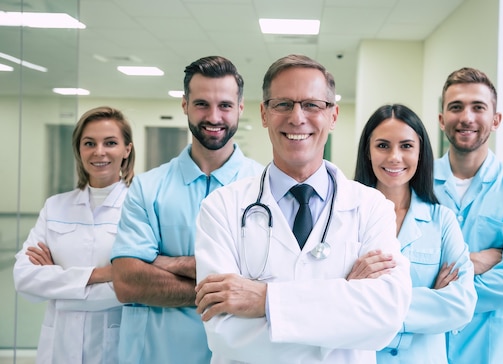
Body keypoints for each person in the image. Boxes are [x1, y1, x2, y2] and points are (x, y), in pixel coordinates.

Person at [194, 54, 412, 364]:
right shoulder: (221, 207)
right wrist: (342, 306)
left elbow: (386, 317)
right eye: (283, 104)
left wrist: (265, 299)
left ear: (333, 116)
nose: (297, 118)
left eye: (312, 105)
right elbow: (224, 333)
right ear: (264, 113)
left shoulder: (372, 206)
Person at [110, 56, 263, 363]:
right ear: (185, 105)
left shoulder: (264, 188)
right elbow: (127, 282)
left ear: (241, 108)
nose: (214, 116)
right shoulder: (147, 188)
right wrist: (231, 287)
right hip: (158, 354)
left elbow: (272, 282)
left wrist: (166, 263)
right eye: (202, 104)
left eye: (225, 106)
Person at [433, 67, 503, 363]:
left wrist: (439, 292)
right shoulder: (418, 183)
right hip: (429, 348)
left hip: (496, 352)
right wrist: (477, 261)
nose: (466, 117)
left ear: (496, 120)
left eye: (478, 107)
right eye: (456, 107)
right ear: (442, 119)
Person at [353, 104, 477, 363]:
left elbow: (462, 304)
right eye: (383, 146)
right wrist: (432, 297)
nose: (395, 157)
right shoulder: (345, 218)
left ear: (421, 153)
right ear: (368, 152)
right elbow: (334, 302)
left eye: (406, 146)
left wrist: (371, 301)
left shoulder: (442, 221)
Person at [13, 106, 135, 364]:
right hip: (58, 347)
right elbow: (24, 277)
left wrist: (59, 289)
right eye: (89, 143)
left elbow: (133, 286)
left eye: (110, 143)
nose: (99, 151)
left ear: (127, 149)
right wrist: (101, 274)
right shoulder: (55, 206)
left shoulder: (139, 208)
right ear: (79, 149)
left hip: (114, 347)